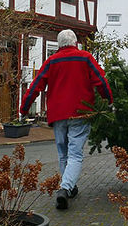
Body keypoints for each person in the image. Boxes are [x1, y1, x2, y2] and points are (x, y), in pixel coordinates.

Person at [19, 29, 112, 210]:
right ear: (75, 42)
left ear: (59, 44)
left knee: (63, 153)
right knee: (75, 153)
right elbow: (101, 80)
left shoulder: (51, 61)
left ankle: (68, 187)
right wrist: (108, 100)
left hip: (58, 114)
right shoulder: (85, 58)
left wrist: (24, 109)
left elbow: (35, 85)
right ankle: (65, 187)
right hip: (81, 112)